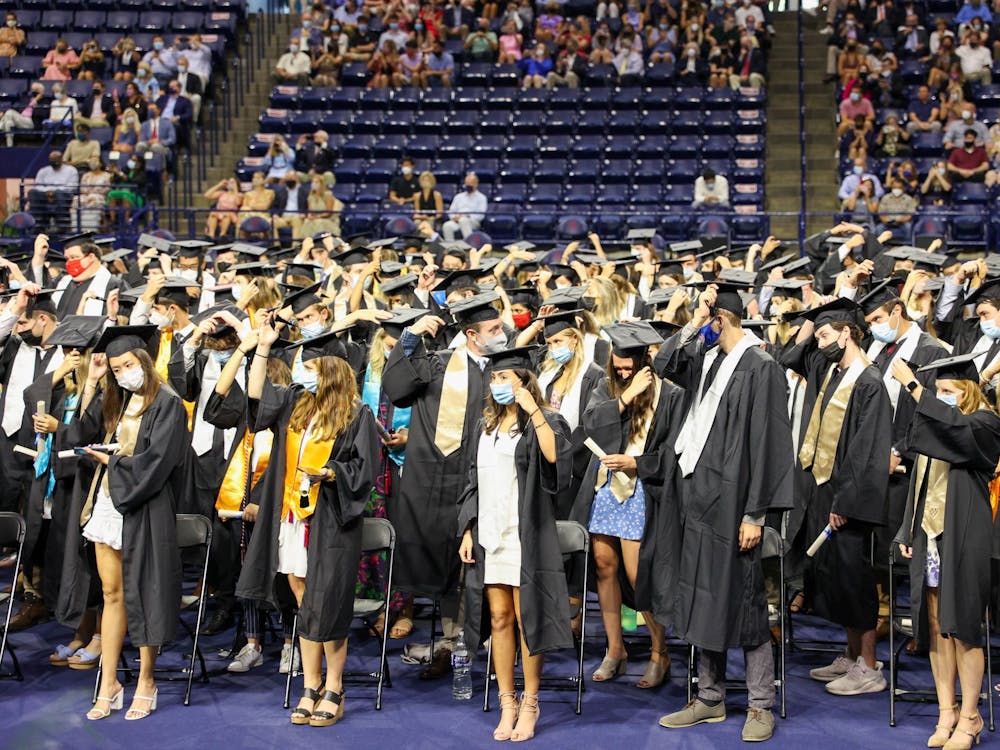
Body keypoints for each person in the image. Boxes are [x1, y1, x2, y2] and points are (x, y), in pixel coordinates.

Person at [655, 283, 794, 743]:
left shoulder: (761, 367)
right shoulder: (709, 359)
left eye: (711, 320)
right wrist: (694, 319)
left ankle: (759, 705)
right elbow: (664, 363)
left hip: (736, 504)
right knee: (703, 599)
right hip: (699, 498)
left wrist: (756, 513)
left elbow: (771, 444)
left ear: (725, 320)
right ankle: (710, 699)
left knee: (746, 601)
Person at [236, 320, 379, 727]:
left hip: (329, 521)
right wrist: (262, 349)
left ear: (330, 372)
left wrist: (331, 474)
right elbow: (256, 398)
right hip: (291, 519)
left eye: (310, 369)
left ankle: (334, 686)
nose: (302, 374)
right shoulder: (296, 406)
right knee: (304, 603)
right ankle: (310, 685)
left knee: (325, 604)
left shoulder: (356, 414)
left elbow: (364, 469)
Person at [381, 292, 506, 678]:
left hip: (495, 482)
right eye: (494, 329)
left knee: (490, 564)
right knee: (453, 567)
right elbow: (397, 388)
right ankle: (455, 643)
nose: (502, 335)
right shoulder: (437, 365)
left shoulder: (508, 370)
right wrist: (410, 338)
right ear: (471, 334)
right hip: (442, 483)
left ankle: (492, 642)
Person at [458, 345, 574, 742]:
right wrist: (468, 528)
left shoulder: (545, 421)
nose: (497, 385)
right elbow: (471, 479)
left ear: (524, 381)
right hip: (490, 535)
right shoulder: (484, 424)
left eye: (505, 378)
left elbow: (555, 456)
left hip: (525, 536)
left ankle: (531, 701)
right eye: (494, 378)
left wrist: (533, 409)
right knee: (500, 619)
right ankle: (506, 700)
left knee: (528, 621)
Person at [781, 297, 893, 697]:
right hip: (823, 490)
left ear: (848, 333)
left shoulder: (869, 382)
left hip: (848, 501)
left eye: (828, 333)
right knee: (836, 581)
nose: (821, 342)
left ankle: (869, 666)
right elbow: (790, 357)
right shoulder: (831, 371)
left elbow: (867, 452)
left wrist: (844, 503)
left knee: (854, 580)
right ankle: (850, 655)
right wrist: (812, 322)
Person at [77, 325, 187, 721]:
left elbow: (160, 463)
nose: (123, 373)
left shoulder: (168, 403)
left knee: (143, 593)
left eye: (128, 364)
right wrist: (91, 384)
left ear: (144, 361)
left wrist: (114, 463)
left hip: (145, 505)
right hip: (109, 503)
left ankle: (146, 681)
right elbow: (80, 431)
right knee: (111, 594)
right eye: (116, 368)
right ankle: (109, 682)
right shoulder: (117, 401)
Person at [892, 353, 1000, 750]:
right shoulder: (936, 423)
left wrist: (914, 387)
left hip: (963, 534)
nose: (941, 398)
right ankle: (946, 712)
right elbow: (919, 477)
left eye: (948, 391)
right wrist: (907, 528)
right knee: (935, 625)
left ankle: (971, 717)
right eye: (938, 391)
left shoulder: (985, 424)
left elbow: (955, 429)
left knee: (964, 626)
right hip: (928, 535)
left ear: (968, 392)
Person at [569, 321, 683, 688]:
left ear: (645, 361)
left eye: (627, 369)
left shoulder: (671, 394)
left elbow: (675, 450)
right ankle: (615, 648)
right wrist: (625, 396)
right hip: (605, 489)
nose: (621, 372)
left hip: (641, 490)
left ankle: (658, 651)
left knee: (639, 574)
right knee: (604, 565)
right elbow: (590, 425)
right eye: (617, 368)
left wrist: (638, 463)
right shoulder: (606, 387)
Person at [28, 152, 79, 233]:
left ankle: (62, 226)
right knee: (32, 192)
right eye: (52, 159)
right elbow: (38, 185)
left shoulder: (71, 170)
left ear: (61, 159)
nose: (54, 161)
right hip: (44, 195)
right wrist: (48, 192)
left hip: (64, 195)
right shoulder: (43, 171)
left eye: (56, 159)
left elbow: (72, 186)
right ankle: (38, 225)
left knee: (60, 194)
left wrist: (54, 192)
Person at [442, 173, 488, 241]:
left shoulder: (482, 198)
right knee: (447, 226)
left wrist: (466, 216)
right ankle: (451, 248)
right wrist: (455, 217)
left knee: (463, 220)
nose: (468, 185)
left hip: (473, 222)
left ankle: (470, 247)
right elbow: (451, 211)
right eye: (466, 183)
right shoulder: (458, 197)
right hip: (457, 221)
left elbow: (481, 215)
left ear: (476, 184)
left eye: (470, 183)